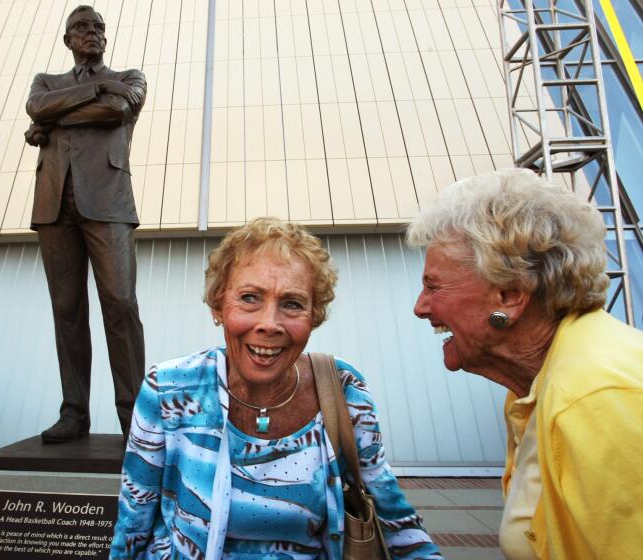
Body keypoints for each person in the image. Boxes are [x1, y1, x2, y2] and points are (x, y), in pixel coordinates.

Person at [111, 218, 441, 559]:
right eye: (250, 298)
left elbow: (396, 523)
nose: (269, 324)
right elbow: (133, 526)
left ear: (314, 315)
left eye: (293, 303)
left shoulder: (344, 388)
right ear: (218, 306)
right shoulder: (169, 389)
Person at [407, 168, 643, 559]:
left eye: (433, 286)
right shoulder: (537, 388)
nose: (421, 307)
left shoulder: (595, 398)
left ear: (511, 296)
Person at [24, 5, 146, 442]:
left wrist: (48, 121)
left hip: (109, 202)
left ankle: (135, 418)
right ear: (68, 40)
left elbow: (117, 110)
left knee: (120, 304)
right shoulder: (46, 82)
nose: (91, 33)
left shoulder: (130, 77)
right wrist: (86, 96)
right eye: (81, 28)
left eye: (98, 28)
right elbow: (35, 105)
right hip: (54, 204)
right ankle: (74, 413)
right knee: (67, 313)